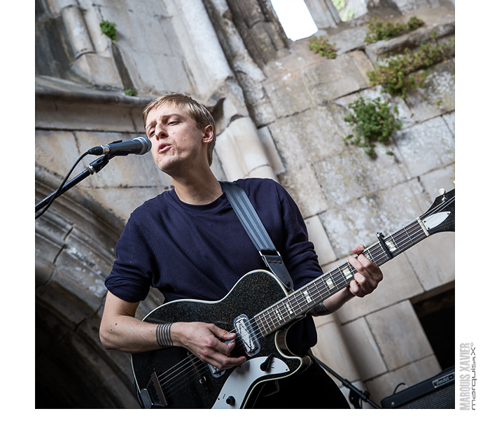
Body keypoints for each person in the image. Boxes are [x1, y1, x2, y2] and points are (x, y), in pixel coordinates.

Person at [100, 93, 383, 408]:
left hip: (303, 389)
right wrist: (179, 333)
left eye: (172, 122)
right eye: (152, 131)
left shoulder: (264, 197)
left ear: (207, 133)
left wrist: (350, 286)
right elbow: (112, 330)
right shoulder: (146, 224)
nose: (158, 134)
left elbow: (309, 292)